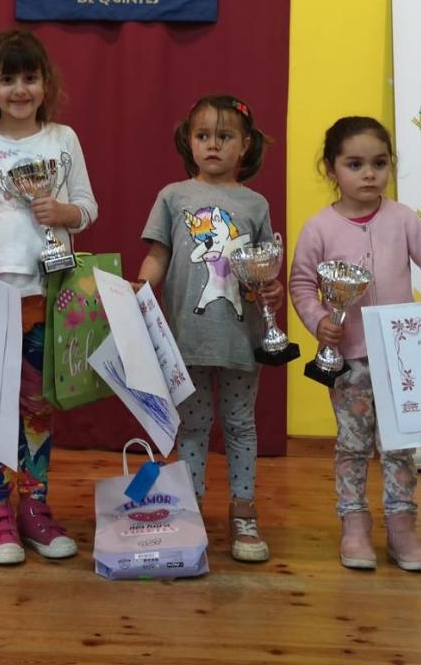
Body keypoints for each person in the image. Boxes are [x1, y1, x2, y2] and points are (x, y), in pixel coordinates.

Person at [289, 116, 421, 572]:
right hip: (349, 361)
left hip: (403, 358)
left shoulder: (402, 219)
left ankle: (401, 527)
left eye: (379, 163)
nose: (369, 174)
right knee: (353, 446)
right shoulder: (319, 227)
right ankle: (354, 525)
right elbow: (301, 284)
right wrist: (320, 321)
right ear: (330, 168)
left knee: (399, 446)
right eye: (355, 164)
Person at [0, 28, 98, 565]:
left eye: (29, 77)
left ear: (45, 83)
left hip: (47, 294)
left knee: (37, 409)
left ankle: (34, 508)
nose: (19, 89)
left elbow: (88, 205)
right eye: (7, 78)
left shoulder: (63, 139)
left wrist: (66, 214)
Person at [136, 95, 284, 563]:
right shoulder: (172, 196)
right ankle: (190, 509)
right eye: (203, 136)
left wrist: (272, 290)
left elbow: (264, 268)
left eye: (224, 137)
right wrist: (140, 289)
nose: (213, 145)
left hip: (241, 337)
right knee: (194, 426)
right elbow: (159, 254)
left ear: (245, 146)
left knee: (241, 425)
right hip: (188, 338)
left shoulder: (255, 203)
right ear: (189, 142)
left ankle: (242, 512)